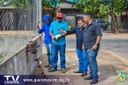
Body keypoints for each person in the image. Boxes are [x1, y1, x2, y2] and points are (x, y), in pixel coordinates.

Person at [83, 12, 102, 84]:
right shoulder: (87, 25)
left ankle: (95, 78)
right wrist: (83, 44)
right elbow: (86, 35)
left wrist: (96, 44)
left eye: (84, 17)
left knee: (92, 61)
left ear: (89, 17)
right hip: (86, 47)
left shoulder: (95, 25)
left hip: (92, 47)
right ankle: (91, 75)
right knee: (89, 62)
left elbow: (99, 35)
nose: (83, 19)